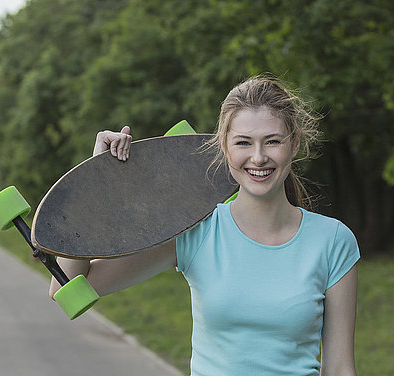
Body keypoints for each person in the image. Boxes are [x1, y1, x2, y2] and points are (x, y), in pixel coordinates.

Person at [49, 75, 359, 376]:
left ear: (295, 144)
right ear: (224, 147)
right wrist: (90, 187)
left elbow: (339, 368)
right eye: (243, 143)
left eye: (273, 141)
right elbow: (69, 286)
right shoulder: (196, 230)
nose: (259, 157)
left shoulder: (333, 241)